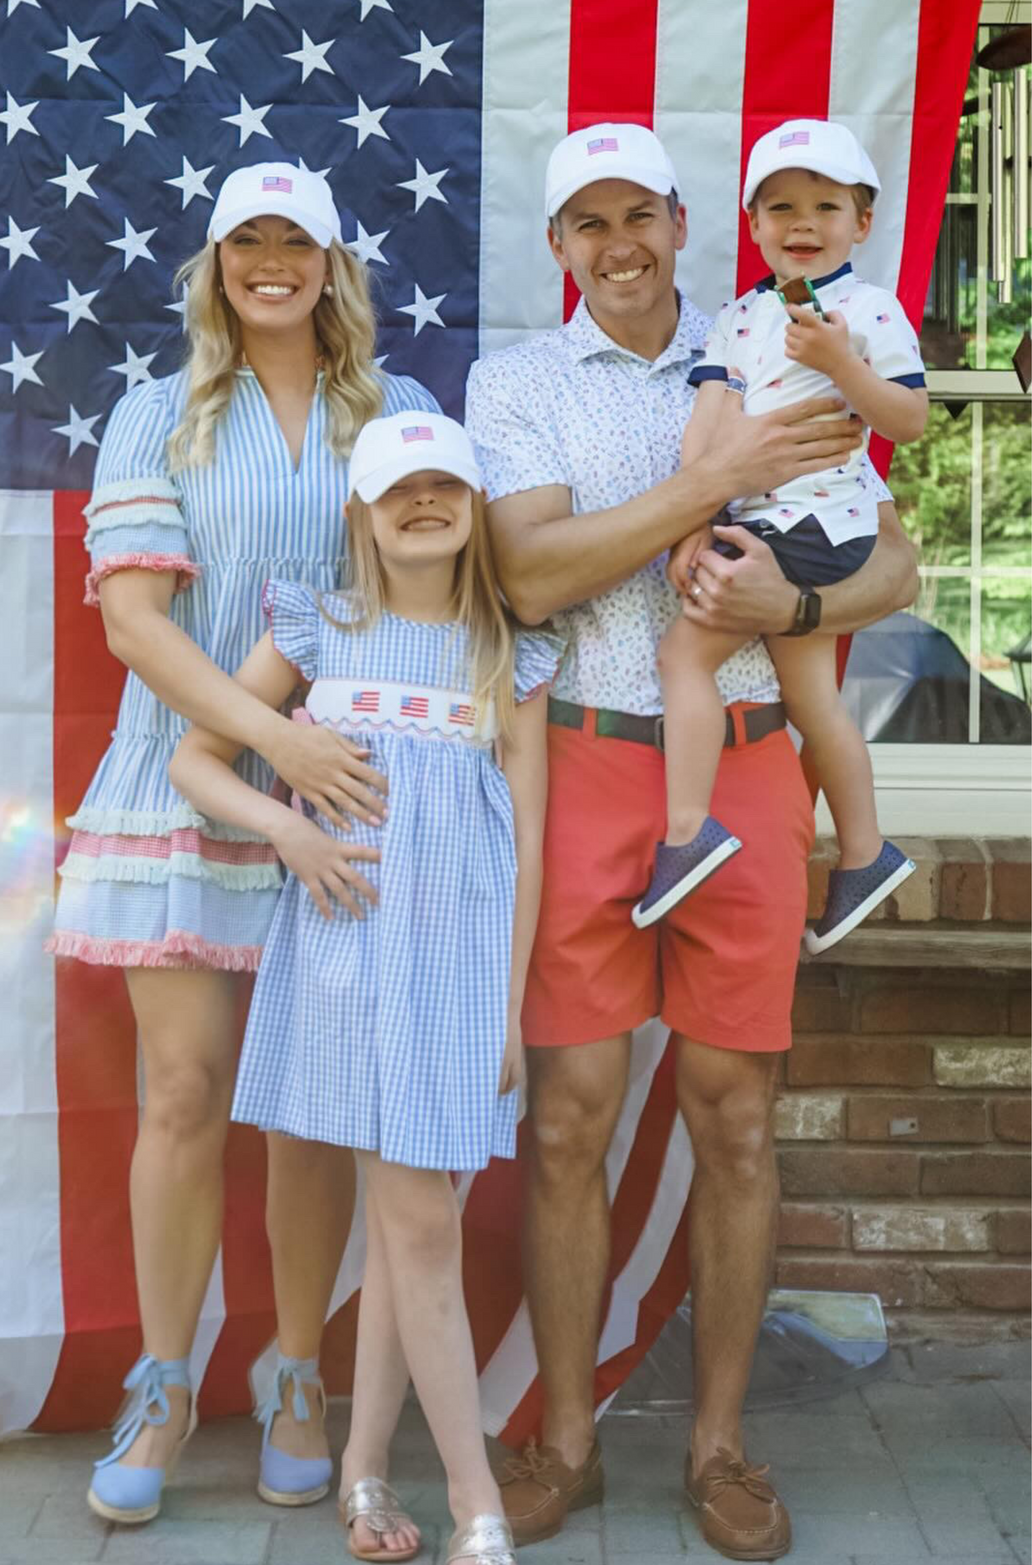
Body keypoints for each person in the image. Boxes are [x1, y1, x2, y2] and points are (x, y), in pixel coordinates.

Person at [464, 122, 918, 1562]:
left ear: (677, 220)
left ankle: (719, 1449)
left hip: (746, 770)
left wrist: (791, 613)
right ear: (558, 247)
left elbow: (890, 558)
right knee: (566, 1123)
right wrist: (709, 481)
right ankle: (566, 1440)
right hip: (590, 766)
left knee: (732, 1118)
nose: (616, 245)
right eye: (584, 225)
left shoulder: (782, 334)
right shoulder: (516, 381)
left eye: (637, 216)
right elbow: (530, 573)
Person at [46, 162, 440, 1525]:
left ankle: (294, 1373)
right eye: (246, 242)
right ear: (215, 264)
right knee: (183, 1090)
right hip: (181, 785)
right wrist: (271, 749)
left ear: (336, 263)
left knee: (312, 1103)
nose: (272, 262)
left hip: (349, 796)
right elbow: (135, 624)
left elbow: (435, 595)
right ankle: (160, 1381)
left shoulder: (400, 414)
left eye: (298, 241)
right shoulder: (156, 414)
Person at [169, 411, 561, 1565]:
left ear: (474, 504)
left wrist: (503, 1009)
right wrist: (283, 835)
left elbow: (526, 843)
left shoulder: (508, 656)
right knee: (419, 1223)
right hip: (347, 960)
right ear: (360, 513)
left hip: (455, 973)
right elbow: (197, 756)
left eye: (446, 485)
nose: (424, 503)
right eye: (400, 489)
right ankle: (474, 1495)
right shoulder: (321, 628)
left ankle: (361, 1471)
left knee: (409, 1231)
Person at [639, 119, 926, 948]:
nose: (803, 223)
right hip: (755, 517)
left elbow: (906, 420)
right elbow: (709, 424)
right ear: (754, 223)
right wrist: (691, 519)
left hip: (818, 521)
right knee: (813, 699)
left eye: (826, 206)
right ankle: (864, 853)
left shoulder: (870, 312)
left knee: (682, 656)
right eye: (781, 206)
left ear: (862, 222)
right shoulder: (737, 319)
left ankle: (688, 829)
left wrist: (842, 366)